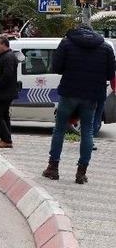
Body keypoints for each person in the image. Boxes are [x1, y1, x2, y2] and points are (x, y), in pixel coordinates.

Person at [43, 26, 116, 184]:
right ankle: (81, 173)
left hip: (69, 92)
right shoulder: (105, 47)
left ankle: (53, 168)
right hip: (92, 95)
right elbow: (111, 74)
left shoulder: (66, 43)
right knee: (87, 131)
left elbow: (56, 68)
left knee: (60, 130)